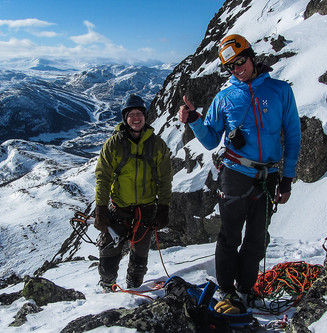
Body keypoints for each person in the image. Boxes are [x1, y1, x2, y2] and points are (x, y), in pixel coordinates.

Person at [178, 34, 301, 313]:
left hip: (268, 175)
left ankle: (246, 289)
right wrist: (195, 120)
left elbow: (293, 135)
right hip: (234, 173)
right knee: (230, 235)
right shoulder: (225, 98)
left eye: (240, 61)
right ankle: (227, 290)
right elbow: (210, 140)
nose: (237, 68)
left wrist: (287, 179)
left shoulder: (280, 91)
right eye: (231, 66)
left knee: (258, 238)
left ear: (251, 56)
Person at [94, 94, 173, 292]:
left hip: (146, 210)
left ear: (145, 117)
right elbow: (103, 178)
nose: (136, 118)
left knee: (140, 258)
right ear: (125, 118)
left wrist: (163, 207)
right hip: (118, 210)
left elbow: (165, 179)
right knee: (109, 256)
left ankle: (134, 288)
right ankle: (107, 287)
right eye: (132, 114)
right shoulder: (113, 144)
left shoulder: (157, 145)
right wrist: (100, 208)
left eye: (140, 114)